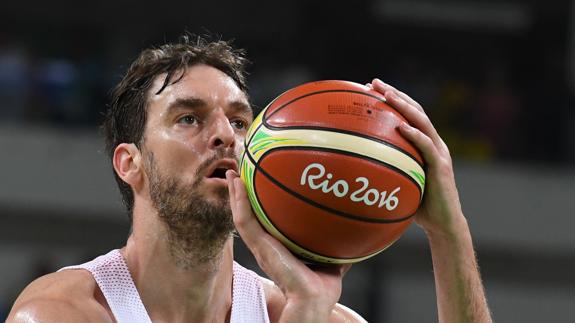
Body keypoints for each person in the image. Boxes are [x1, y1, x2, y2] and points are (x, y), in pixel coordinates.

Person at [7, 35, 492, 323]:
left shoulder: (309, 312)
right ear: (129, 163)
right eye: (189, 119)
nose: (225, 136)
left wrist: (448, 234)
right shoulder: (62, 314)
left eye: (240, 121)